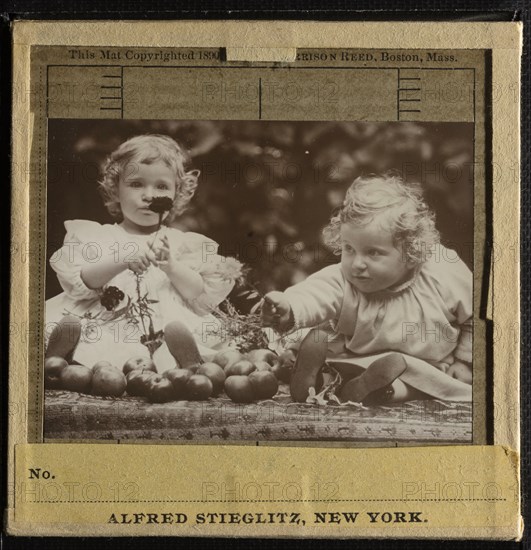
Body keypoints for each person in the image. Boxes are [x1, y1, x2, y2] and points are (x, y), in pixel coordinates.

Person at [262, 173, 473, 404]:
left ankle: (370, 389)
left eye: (373, 252)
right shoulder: (345, 280)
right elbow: (316, 293)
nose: (357, 264)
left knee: (420, 385)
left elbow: (474, 316)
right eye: (349, 249)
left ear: (412, 254)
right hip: (355, 359)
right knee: (339, 364)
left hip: (426, 366)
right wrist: (288, 306)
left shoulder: (442, 272)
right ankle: (315, 380)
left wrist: (465, 361)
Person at [45, 134, 242, 372]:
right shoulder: (97, 237)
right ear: (116, 190)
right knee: (93, 338)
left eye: (161, 186)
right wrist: (123, 260)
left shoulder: (182, 244)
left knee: (173, 335)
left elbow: (197, 293)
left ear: (175, 195)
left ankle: (186, 362)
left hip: (162, 325)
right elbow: (83, 283)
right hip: (109, 322)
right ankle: (62, 358)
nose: (149, 195)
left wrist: (172, 267)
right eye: (136, 184)